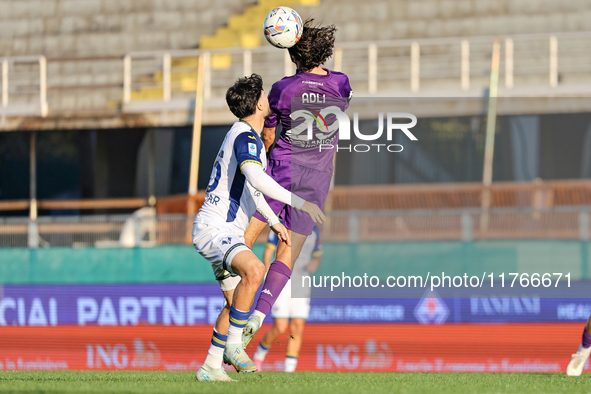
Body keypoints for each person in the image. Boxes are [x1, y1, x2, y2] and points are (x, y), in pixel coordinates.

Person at [192, 74, 325, 382]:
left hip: (218, 229)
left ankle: (211, 366)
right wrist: (299, 202)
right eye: (265, 94)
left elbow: (253, 191)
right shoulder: (246, 137)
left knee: (234, 302)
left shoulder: (242, 135)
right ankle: (236, 344)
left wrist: (275, 221)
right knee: (254, 271)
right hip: (217, 228)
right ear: (261, 102)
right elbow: (258, 180)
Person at [241, 19, 353, 347]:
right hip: (318, 178)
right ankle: (260, 314)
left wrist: (262, 150)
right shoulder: (341, 83)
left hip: (284, 170)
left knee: (247, 237)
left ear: (292, 52)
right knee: (289, 251)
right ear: (325, 51)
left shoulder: (282, 89)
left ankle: (234, 300)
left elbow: (270, 132)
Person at [252, 224, 322, 372]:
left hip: (301, 283)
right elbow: (268, 251)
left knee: (297, 327)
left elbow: (317, 255)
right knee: (280, 327)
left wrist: (315, 262)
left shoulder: (314, 230)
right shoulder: (283, 225)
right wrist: (267, 276)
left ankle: (289, 370)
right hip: (281, 281)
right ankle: (259, 356)